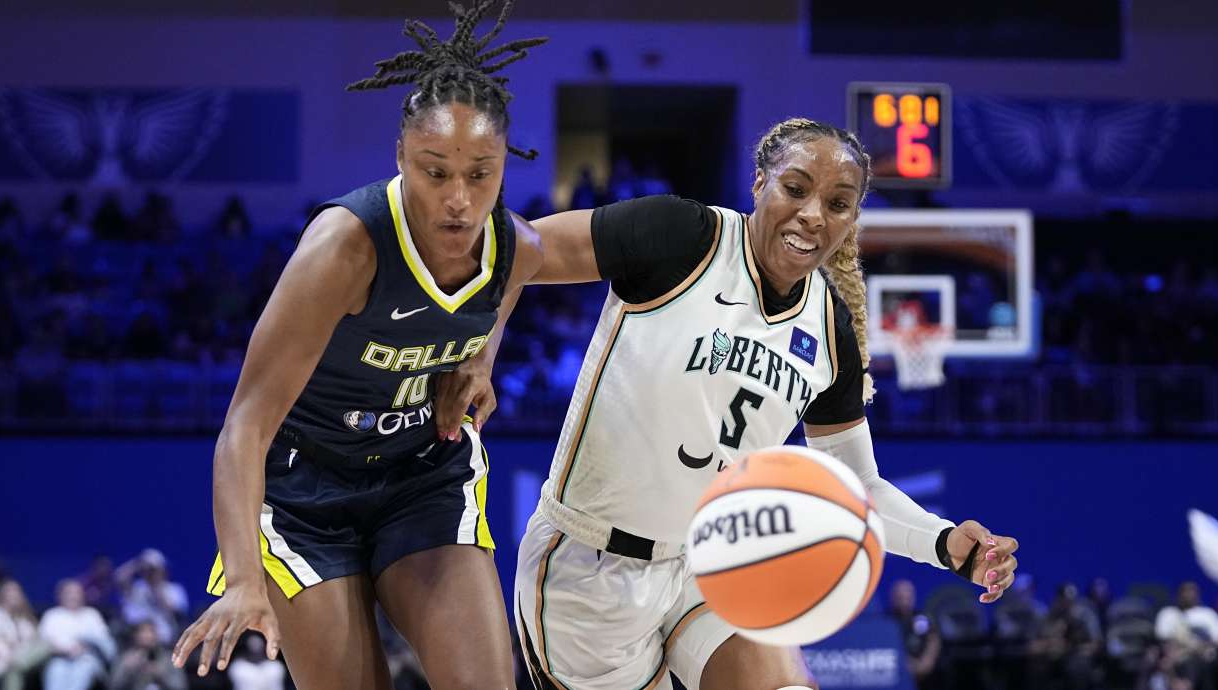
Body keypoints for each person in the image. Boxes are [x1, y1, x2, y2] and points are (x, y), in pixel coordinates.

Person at [456, 118, 1020, 689]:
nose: (813, 215)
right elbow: (521, 246)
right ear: (759, 183)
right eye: (795, 189)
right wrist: (478, 353)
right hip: (591, 567)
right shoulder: (684, 236)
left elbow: (859, 487)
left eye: (838, 203)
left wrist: (944, 543)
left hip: (711, 564)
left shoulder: (830, 327)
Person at [171, 3, 546, 689]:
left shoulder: (515, 246)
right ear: (401, 156)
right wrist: (243, 584)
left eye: (480, 174)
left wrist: (480, 358)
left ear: (503, 165)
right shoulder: (344, 247)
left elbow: (519, 282)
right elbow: (244, 425)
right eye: (436, 172)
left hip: (422, 475)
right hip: (302, 489)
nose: (460, 199)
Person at [38, 579, 115, 690]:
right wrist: (64, 650)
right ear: (60, 595)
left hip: (87, 658)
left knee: (83, 670)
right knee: (56, 671)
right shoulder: (52, 615)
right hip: (59, 658)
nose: (73, 596)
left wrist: (84, 646)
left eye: (77, 593)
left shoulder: (91, 614)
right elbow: (43, 642)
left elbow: (105, 642)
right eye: (69, 593)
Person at [110, 621, 186, 690]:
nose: (147, 636)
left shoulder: (169, 659)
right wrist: (128, 669)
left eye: (150, 632)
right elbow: (113, 686)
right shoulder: (127, 658)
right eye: (143, 632)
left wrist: (160, 674)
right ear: (135, 636)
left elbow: (181, 686)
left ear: (157, 635)